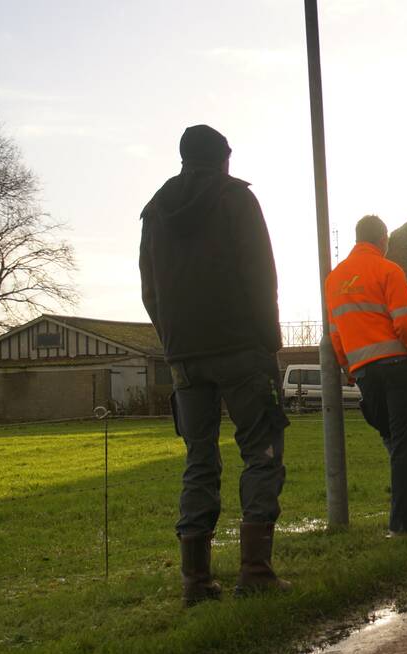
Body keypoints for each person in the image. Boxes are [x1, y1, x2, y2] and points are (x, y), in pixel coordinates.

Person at [140, 124, 290, 606]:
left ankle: (196, 583)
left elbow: (149, 290)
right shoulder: (236, 199)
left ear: (185, 159)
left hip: (185, 358)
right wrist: (269, 343)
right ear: (222, 158)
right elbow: (260, 274)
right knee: (261, 451)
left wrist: (173, 343)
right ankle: (255, 570)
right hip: (241, 350)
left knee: (199, 460)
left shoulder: (154, 212)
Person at [325, 215, 407, 537]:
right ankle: (402, 526)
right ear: (383, 240)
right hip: (399, 368)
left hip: (364, 372)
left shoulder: (334, 280)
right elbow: (405, 323)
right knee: (404, 444)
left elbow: (336, 335)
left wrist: (350, 367)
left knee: (391, 439)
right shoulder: (389, 270)